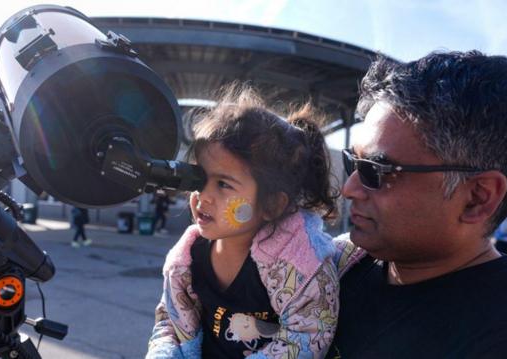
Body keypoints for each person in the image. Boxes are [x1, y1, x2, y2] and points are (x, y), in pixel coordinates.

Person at [326, 51, 507, 358]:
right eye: (352, 162)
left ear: (477, 198)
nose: (349, 188)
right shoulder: (341, 267)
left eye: (375, 170)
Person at [146, 86, 363, 358]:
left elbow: (305, 338)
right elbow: (170, 321)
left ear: (271, 204)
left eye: (223, 184)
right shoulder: (188, 258)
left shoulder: (300, 267)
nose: (204, 195)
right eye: (200, 178)